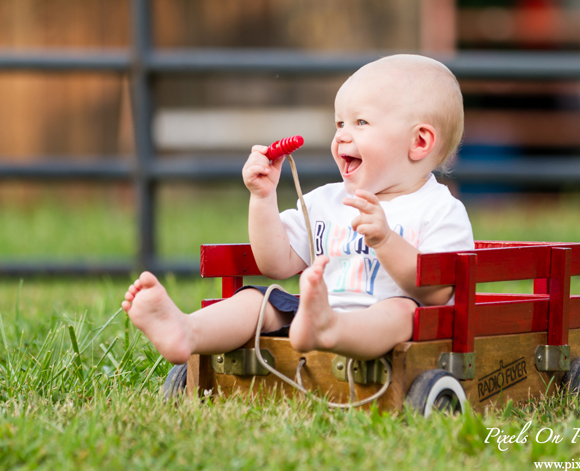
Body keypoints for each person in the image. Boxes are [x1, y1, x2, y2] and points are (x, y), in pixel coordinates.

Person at [121, 54, 474, 364]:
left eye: (361, 123)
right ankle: (188, 330)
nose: (341, 136)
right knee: (261, 300)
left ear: (419, 142)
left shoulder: (439, 210)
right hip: (311, 314)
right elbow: (276, 263)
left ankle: (330, 328)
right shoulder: (325, 201)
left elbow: (439, 291)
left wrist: (385, 240)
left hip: (393, 325)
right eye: (339, 123)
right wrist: (263, 198)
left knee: (400, 310)